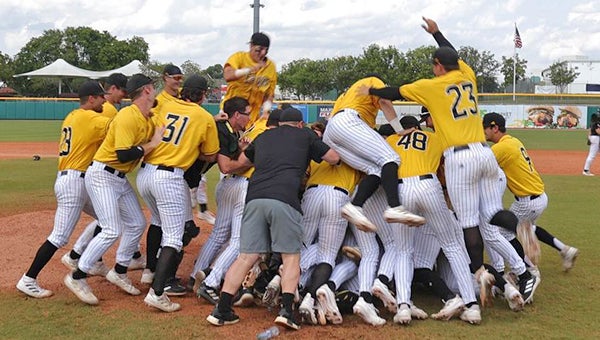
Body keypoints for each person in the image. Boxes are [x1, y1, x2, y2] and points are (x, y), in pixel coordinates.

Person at [362, 17, 539, 308]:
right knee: (491, 213)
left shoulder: (432, 86)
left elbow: (394, 92)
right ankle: (522, 233)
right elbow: (451, 52)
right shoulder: (467, 75)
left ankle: (480, 272)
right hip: (484, 153)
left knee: (469, 223)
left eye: (434, 65)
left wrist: (371, 91)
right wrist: (437, 34)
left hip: (460, 159)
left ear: (438, 66)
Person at [206, 108, 340, 331]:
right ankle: (286, 311)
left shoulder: (264, 136)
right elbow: (333, 158)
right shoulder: (305, 135)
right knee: (290, 257)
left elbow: (241, 162)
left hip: (255, 197)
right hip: (285, 199)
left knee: (246, 257)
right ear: (299, 124)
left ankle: (221, 309)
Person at [64, 74, 165, 305]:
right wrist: (152, 144)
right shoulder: (127, 116)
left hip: (118, 178)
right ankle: (77, 275)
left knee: (137, 223)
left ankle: (119, 270)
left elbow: (157, 117)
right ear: (147, 90)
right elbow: (123, 154)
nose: (156, 92)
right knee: (110, 228)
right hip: (102, 174)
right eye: (154, 88)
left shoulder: (145, 116)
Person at [16, 81, 110, 298]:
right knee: (59, 237)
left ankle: (92, 258)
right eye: (101, 97)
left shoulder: (72, 116)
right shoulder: (90, 118)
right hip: (74, 182)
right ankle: (28, 279)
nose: (104, 101)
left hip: (76, 179)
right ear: (91, 98)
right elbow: (118, 128)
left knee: (109, 219)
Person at [137, 74, 219, 312]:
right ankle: (159, 291)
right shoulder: (204, 117)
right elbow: (211, 154)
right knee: (175, 236)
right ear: (203, 94)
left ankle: (151, 272)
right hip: (170, 177)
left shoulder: (166, 103)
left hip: (145, 173)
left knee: (161, 223)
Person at [323, 76, 425, 233]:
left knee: (376, 169)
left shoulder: (346, 95)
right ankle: (395, 206)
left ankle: (355, 206)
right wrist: (399, 129)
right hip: (349, 121)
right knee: (390, 158)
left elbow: (333, 121)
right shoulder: (374, 80)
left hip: (331, 132)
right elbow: (384, 102)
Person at [483, 112, 580, 272]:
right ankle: (565, 250)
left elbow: (480, 166)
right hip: (540, 196)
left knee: (502, 233)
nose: (483, 131)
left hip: (527, 201)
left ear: (495, 128)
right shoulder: (513, 141)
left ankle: (529, 269)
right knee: (526, 228)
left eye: (485, 128)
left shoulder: (501, 147)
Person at [195, 96, 255, 305]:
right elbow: (226, 167)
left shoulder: (230, 131)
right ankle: (210, 281)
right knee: (238, 241)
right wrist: (249, 159)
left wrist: (238, 147)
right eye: (246, 113)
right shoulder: (223, 129)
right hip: (230, 182)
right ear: (236, 114)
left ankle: (197, 275)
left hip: (226, 185)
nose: (249, 118)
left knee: (219, 234)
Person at [222, 32, 277, 127]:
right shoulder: (239, 57)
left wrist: (266, 112)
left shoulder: (270, 66)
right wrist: (248, 70)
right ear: (251, 46)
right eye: (259, 50)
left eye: (266, 50)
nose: (262, 53)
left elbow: (269, 94)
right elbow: (228, 75)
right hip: (231, 113)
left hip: (252, 117)